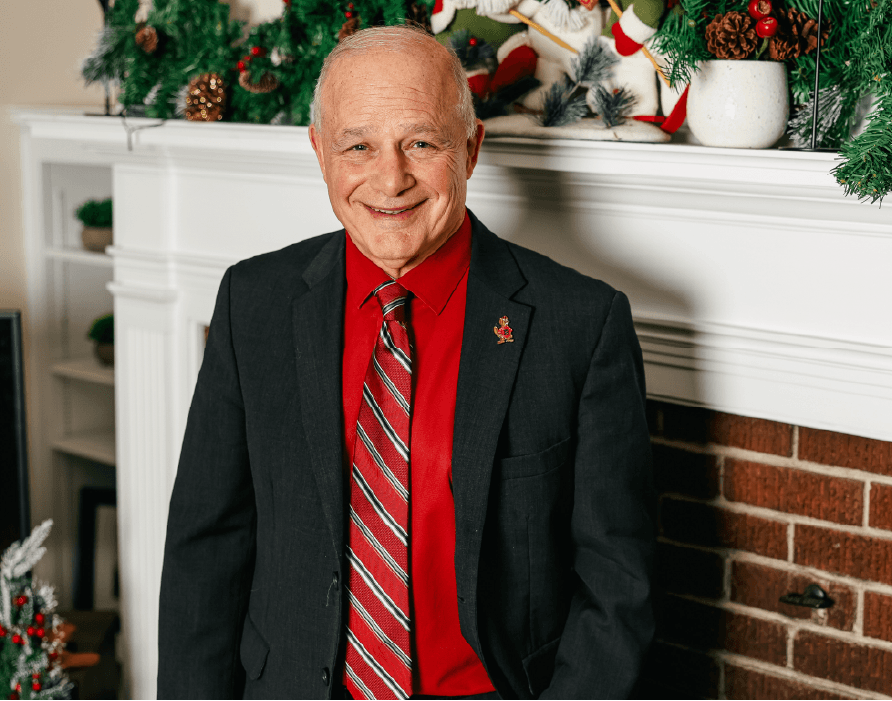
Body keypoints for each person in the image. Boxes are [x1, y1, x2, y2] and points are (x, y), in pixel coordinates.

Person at [157, 24, 655, 700]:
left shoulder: (580, 325)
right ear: (319, 153)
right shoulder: (255, 304)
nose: (391, 179)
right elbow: (205, 552)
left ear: (471, 149)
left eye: (421, 143)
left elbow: (617, 583)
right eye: (358, 145)